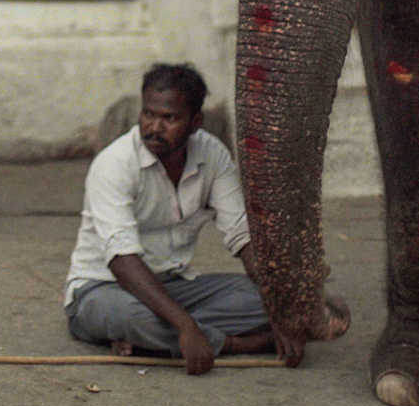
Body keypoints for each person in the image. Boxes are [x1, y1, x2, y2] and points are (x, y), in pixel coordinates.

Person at [64, 63, 349, 372]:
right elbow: (121, 259)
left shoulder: (212, 155)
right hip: (102, 288)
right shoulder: (114, 164)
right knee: (126, 315)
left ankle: (151, 340)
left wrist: (279, 312)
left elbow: (243, 236)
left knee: (270, 298)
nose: (154, 128)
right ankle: (233, 343)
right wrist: (186, 326)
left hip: (176, 286)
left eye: (169, 118)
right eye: (149, 114)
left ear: (195, 122)